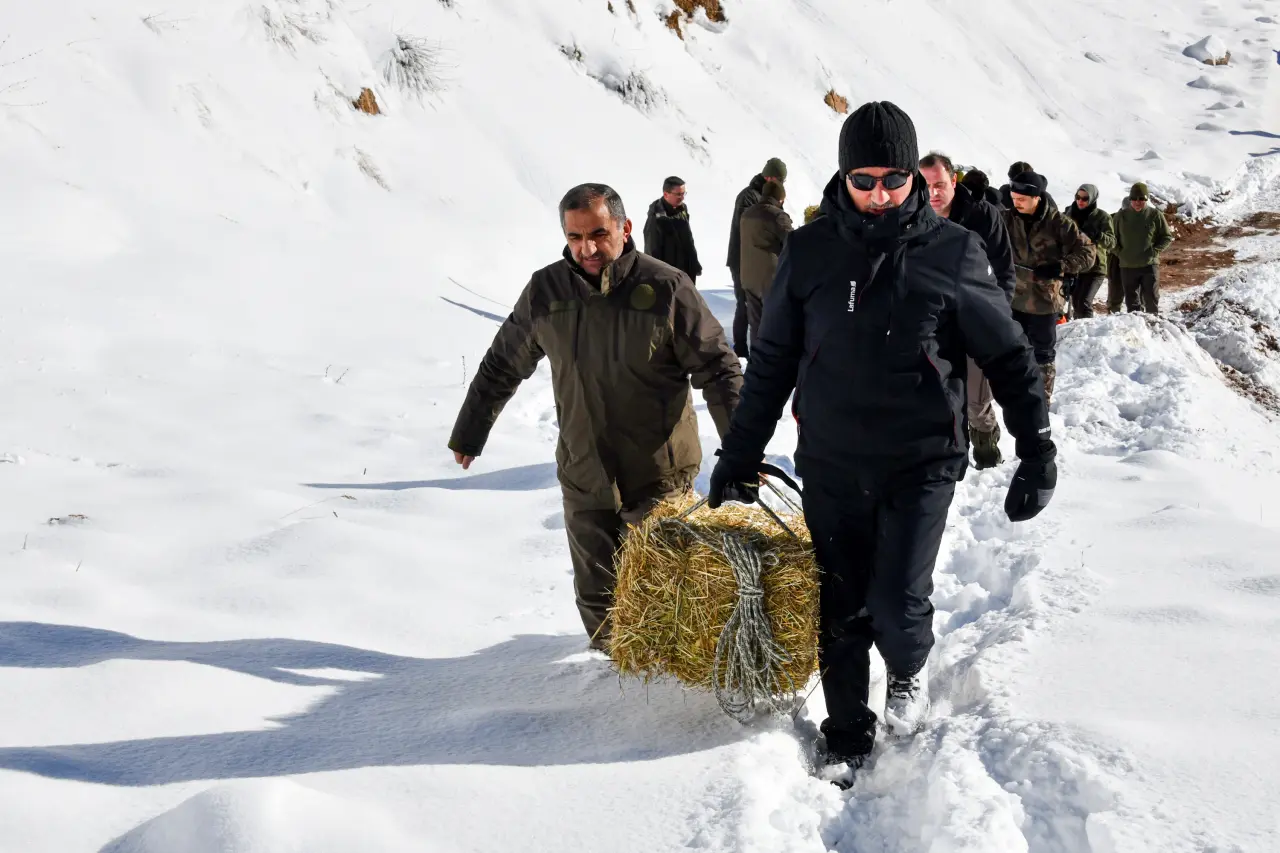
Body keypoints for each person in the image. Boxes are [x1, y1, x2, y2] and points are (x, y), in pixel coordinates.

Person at [707, 101, 1057, 787]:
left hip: (921, 459)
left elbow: (1009, 354)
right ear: (843, 177)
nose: (879, 195)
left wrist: (1036, 447)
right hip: (832, 458)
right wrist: (740, 452)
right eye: (863, 180)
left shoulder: (953, 251)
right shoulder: (810, 250)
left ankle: (907, 669)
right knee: (838, 605)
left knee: (897, 602)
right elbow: (772, 360)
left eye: (893, 180)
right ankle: (845, 731)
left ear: (913, 177)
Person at [449, 183, 742, 650]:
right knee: (598, 601)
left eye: (599, 234)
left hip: (657, 474)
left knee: (664, 598)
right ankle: (607, 681)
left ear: (625, 229)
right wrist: (471, 430)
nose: (587, 248)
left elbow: (718, 369)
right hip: (585, 470)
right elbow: (503, 363)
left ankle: (660, 686)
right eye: (575, 237)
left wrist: (742, 448)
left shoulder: (666, 286)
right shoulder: (546, 291)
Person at [919, 151, 1015, 469]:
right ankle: (948, 457)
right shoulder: (913, 215)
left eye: (939, 184)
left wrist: (996, 320)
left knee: (977, 399)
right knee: (940, 397)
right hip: (934, 323)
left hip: (977, 318)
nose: (933, 193)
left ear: (953, 180)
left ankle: (986, 451)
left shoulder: (982, 215)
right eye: (926, 185)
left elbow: (1004, 271)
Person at [1003, 170, 1096, 405]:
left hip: (1044, 302)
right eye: (1013, 198)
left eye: (1022, 199)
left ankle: (1041, 402)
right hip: (1012, 299)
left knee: (1042, 355)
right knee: (1014, 350)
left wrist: (1061, 266)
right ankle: (1017, 398)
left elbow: (1088, 253)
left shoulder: (1058, 223)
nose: (1016, 203)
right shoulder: (1006, 219)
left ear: (1036, 197)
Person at [727, 157, 788, 357]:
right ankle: (740, 349)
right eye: (779, 179)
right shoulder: (749, 197)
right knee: (744, 305)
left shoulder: (766, 195)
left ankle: (753, 349)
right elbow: (753, 229)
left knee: (754, 309)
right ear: (770, 177)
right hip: (743, 258)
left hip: (754, 259)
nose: (781, 183)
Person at [738, 180, 794, 349]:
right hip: (770, 277)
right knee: (775, 322)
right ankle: (772, 358)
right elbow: (793, 243)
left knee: (756, 322)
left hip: (748, 276)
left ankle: (756, 357)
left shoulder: (747, 214)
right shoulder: (777, 216)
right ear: (780, 198)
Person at [1113, 182, 1174, 314]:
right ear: (1130, 199)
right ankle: (1136, 326)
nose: (1137, 202)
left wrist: (1154, 251)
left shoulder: (1155, 215)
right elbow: (1112, 239)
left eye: (1141, 198)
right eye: (1134, 198)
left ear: (1146, 199)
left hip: (1149, 265)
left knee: (1151, 299)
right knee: (1132, 304)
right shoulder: (1120, 217)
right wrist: (1120, 253)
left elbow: (1166, 237)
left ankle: (1153, 324)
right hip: (1128, 266)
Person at [1065, 184, 1117, 319]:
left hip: (1095, 267)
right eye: (1078, 197)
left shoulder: (1102, 217)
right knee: (1076, 302)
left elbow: (1111, 243)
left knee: (1084, 302)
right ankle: (1079, 329)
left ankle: (1087, 329)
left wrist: (1098, 235)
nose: (1080, 201)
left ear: (1093, 198)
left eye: (1085, 198)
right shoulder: (1069, 214)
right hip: (1075, 265)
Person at [642, 176, 703, 282]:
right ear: (666, 194)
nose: (682, 198)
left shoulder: (682, 209)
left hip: (687, 273)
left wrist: (694, 263)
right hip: (669, 277)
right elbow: (652, 253)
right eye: (678, 194)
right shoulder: (656, 219)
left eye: (684, 193)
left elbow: (688, 240)